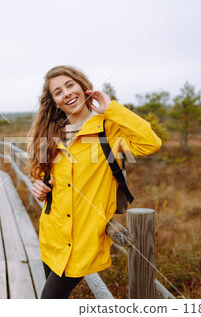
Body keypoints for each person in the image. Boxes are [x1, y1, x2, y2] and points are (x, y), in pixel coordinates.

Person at [27, 65, 162, 299]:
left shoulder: (107, 128)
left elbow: (150, 143)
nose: (66, 93)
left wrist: (111, 109)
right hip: (52, 235)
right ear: (54, 102)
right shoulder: (51, 133)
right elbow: (42, 173)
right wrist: (39, 186)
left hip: (83, 239)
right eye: (58, 92)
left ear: (83, 87)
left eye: (70, 85)